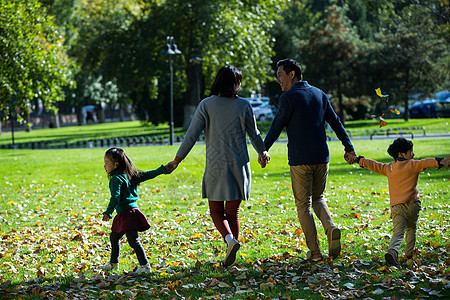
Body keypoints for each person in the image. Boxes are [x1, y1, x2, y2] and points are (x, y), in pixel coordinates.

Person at [166, 65, 270, 267]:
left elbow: (192, 135)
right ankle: (232, 251)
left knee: (215, 211)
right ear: (235, 84)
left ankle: (230, 242)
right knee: (233, 212)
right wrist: (263, 152)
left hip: (216, 166)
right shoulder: (244, 106)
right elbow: (254, 134)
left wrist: (177, 159)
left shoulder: (206, 105)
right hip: (239, 165)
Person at [263, 58, 356, 262]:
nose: (277, 79)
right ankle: (330, 228)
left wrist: (263, 149)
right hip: (322, 158)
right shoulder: (319, 94)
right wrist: (349, 147)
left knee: (303, 205)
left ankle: (315, 253)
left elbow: (277, 125)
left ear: (292, 74)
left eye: (280, 74)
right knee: (319, 198)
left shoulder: (288, 97)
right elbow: (336, 122)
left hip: (300, 160)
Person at [352, 138, 449, 265]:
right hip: (413, 205)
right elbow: (427, 162)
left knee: (398, 232)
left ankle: (392, 251)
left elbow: (374, 165)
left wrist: (359, 160)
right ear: (401, 154)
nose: (413, 154)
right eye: (410, 152)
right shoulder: (413, 165)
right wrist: (441, 161)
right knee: (411, 229)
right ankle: (409, 254)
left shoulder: (389, 168)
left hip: (397, 207)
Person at [100, 147, 168, 273]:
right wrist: (162, 170)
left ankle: (145, 266)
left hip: (126, 214)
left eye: (107, 163)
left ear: (116, 164)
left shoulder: (116, 178)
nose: (104, 166)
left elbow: (115, 198)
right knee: (114, 237)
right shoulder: (129, 175)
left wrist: (108, 212)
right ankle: (113, 263)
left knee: (133, 241)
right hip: (131, 212)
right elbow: (147, 175)